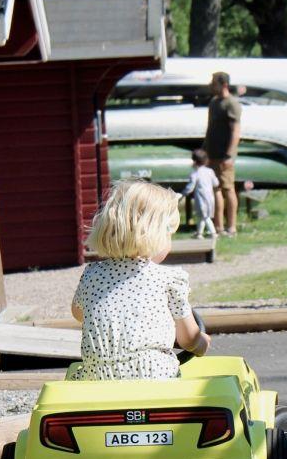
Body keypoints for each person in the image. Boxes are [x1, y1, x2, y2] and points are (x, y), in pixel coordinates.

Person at [71, 180, 209, 380]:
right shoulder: (170, 279)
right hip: (155, 378)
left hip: (98, 381)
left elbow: (79, 314)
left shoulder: (92, 275)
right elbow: (188, 339)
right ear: (155, 234)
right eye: (169, 234)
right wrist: (202, 343)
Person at [204, 71, 241, 236]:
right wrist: (204, 151)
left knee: (228, 189)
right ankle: (218, 227)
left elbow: (235, 132)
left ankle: (232, 226)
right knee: (215, 189)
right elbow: (210, 129)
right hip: (212, 154)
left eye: (214, 83)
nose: (212, 86)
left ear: (224, 85)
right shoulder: (213, 103)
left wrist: (230, 155)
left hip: (225, 156)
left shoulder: (231, 104)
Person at [183, 148, 219, 239]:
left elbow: (190, 187)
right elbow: (216, 183)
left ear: (194, 161)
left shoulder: (195, 174)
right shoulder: (210, 171)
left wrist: (183, 193)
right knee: (203, 216)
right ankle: (199, 233)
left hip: (201, 198)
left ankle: (213, 233)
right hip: (210, 198)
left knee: (204, 217)